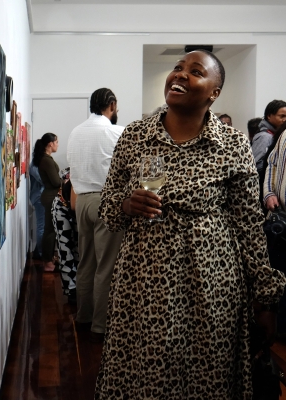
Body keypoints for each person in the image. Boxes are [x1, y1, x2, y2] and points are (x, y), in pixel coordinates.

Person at [95, 50, 286, 399]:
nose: (180, 75)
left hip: (212, 285)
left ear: (214, 92)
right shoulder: (135, 136)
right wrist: (127, 203)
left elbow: (249, 226)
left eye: (195, 72)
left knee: (206, 374)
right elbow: (107, 211)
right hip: (143, 282)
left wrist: (265, 300)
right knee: (144, 372)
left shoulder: (231, 144)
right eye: (177, 68)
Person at [67, 87, 124, 343]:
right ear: (111, 105)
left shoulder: (75, 132)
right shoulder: (115, 131)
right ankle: (100, 325)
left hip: (82, 202)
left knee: (86, 261)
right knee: (107, 265)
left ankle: (83, 315)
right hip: (106, 200)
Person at [263, 121, 286, 335]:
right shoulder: (285, 134)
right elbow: (272, 165)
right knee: (280, 277)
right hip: (282, 220)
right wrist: (269, 193)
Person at [33, 133, 62, 272]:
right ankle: (47, 262)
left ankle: (49, 259)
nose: (57, 144)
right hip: (50, 197)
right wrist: (65, 181)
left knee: (50, 230)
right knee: (49, 231)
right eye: (56, 142)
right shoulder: (46, 160)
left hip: (49, 196)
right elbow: (56, 181)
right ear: (50, 144)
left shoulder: (46, 159)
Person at [52, 168, 78, 304]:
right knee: (65, 249)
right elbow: (74, 205)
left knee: (79, 249)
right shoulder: (77, 173)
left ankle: (79, 288)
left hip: (76, 207)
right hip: (62, 207)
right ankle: (71, 290)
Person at [251, 99, 286, 173]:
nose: (285, 120)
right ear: (269, 116)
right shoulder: (265, 136)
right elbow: (255, 165)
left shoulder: (275, 134)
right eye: (282, 116)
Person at [29, 160, 45, 259]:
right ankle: (40, 253)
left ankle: (39, 251)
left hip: (40, 196)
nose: (56, 144)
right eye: (55, 142)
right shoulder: (35, 164)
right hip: (39, 197)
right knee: (41, 226)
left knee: (43, 226)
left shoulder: (38, 163)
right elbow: (43, 180)